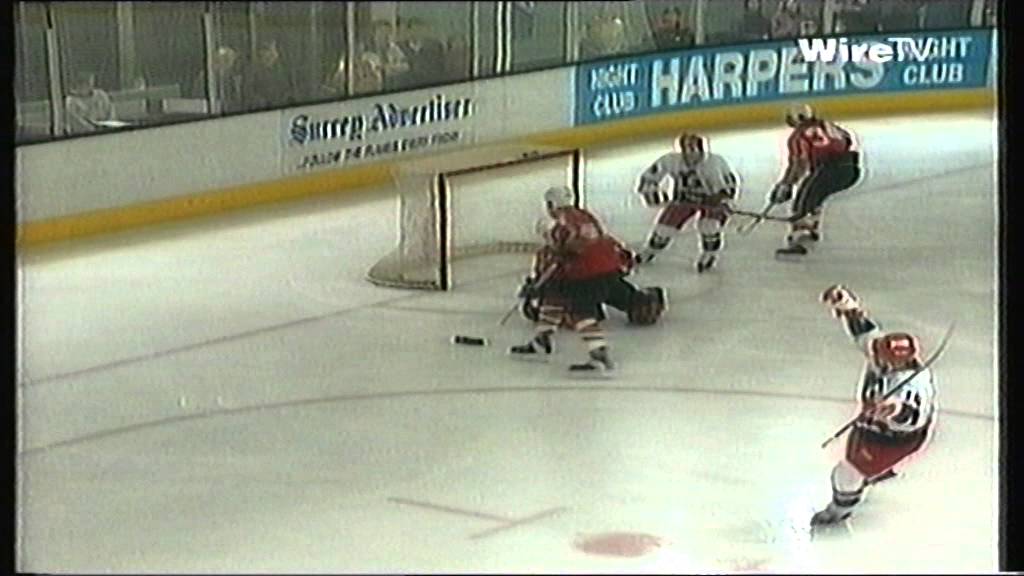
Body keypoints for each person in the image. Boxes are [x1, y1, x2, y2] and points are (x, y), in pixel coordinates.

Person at [811, 285, 937, 526]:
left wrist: (894, 410)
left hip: (893, 440)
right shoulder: (882, 356)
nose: (874, 354)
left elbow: (914, 417)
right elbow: (865, 334)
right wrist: (847, 306)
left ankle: (839, 512)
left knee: (846, 473)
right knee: (854, 462)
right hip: (870, 427)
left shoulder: (914, 384)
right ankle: (871, 474)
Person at [509, 186, 628, 373]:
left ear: (551, 204)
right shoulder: (583, 215)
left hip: (590, 274)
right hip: (607, 269)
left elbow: (559, 258)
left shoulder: (558, 225)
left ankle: (599, 356)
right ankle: (542, 340)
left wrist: (536, 285)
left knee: (581, 313)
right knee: (554, 295)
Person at [633, 133, 741, 273]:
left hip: (712, 201)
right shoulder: (670, 160)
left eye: (695, 152)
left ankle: (708, 255)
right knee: (664, 229)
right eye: (687, 152)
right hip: (683, 200)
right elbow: (648, 178)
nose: (691, 157)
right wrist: (653, 194)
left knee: (709, 226)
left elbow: (730, 187)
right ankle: (650, 251)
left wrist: (723, 201)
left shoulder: (715, 163)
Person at [769, 104, 862, 258]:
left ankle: (800, 238)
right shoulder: (827, 125)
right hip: (851, 168)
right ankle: (811, 226)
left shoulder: (797, 137)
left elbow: (800, 164)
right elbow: (848, 140)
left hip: (828, 169)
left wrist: (786, 184)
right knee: (816, 194)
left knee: (803, 200)